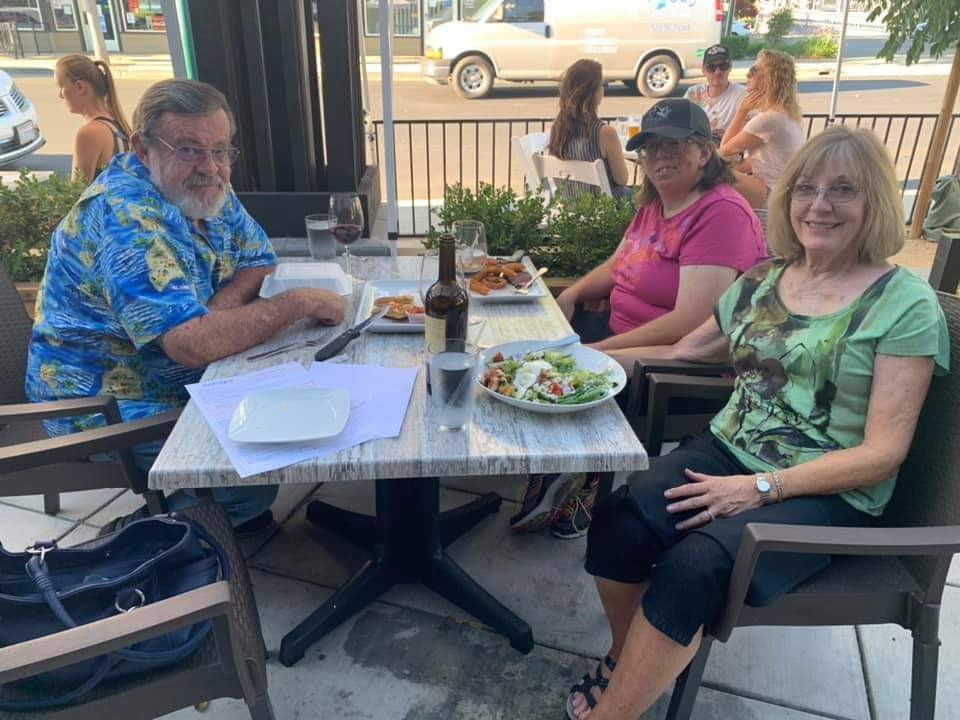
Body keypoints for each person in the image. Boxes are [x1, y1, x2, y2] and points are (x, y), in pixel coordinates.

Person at [564, 125, 949, 720]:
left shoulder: (905, 305)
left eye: (843, 191)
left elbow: (883, 453)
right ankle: (630, 660)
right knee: (618, 521)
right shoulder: (767, 279)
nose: (820, 206)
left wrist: (758, 489)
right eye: (807, 189)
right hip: (730, 452)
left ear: (874, 202)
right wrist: (576, 360)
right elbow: (685, 351)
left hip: (829, 488)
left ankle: (618, 710)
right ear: (787, 197)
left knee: (695, 566)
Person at [25, 79, 346, 533]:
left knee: (313, 397)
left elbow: (258, 260)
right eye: (190, 149)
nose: (210, 166)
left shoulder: (206, 185)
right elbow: (189, 346)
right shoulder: (127, 219)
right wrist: (294, 303)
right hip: (107, 406)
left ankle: (219, 514)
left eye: (221, 150)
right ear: (143, 147)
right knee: (260, 465)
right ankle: (151, 533)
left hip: (179, 378)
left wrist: (215, 314)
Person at [511, 98, 766, 540]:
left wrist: (601, 351)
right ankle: (555, 463)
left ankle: (586, 480)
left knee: (560, 367)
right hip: (621, 335)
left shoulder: (719, 212)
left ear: (704, 153)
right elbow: (617, 265)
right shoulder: (655, 204)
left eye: (674, 146)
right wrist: (571, 295)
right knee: (527, 344)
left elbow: (691, 320)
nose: (660, 157)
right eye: (651, 148)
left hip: (678, 366)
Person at [720, 49, 804, 209]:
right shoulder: (784, 115)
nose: (747, 75)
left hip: (773, 193)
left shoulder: (768, 119)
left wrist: (741, 111)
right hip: (786, 192)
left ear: (769, 79)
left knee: (712, 176)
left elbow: (725, 150)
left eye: (754, 70)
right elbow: (757, 162)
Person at [547, 59, 632, 201]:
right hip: (606, 208)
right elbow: (622, 179)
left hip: (572, 207)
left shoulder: (557, 129)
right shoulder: (605, 133)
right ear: (594, 93)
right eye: (602, 85)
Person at [55, 54, 132, 183]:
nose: (60, 95)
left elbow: (77, 192)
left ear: (80, 87)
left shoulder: (89, 133)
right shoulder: (116, 124)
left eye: (61, 87)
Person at [683, 44, 746, 144]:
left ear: (730, 67)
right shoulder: (693, 92)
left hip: (725, 148)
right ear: (703, 70)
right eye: (711, 67)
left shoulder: (742, 94)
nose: (717, 71)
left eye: (723, 66)